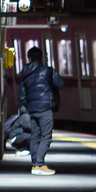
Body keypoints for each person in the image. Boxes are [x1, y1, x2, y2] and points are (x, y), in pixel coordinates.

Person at [17, 46, 64, 175]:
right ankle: (40, 164)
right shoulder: (47, 71)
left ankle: (35, 164)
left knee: (35, 136)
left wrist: (30, 105)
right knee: (46, 136)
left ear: (29, 58)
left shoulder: (25, 73)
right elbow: (60, 83)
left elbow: (21, 96)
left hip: (32, 110)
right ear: (41, 57)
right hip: (45, 109)